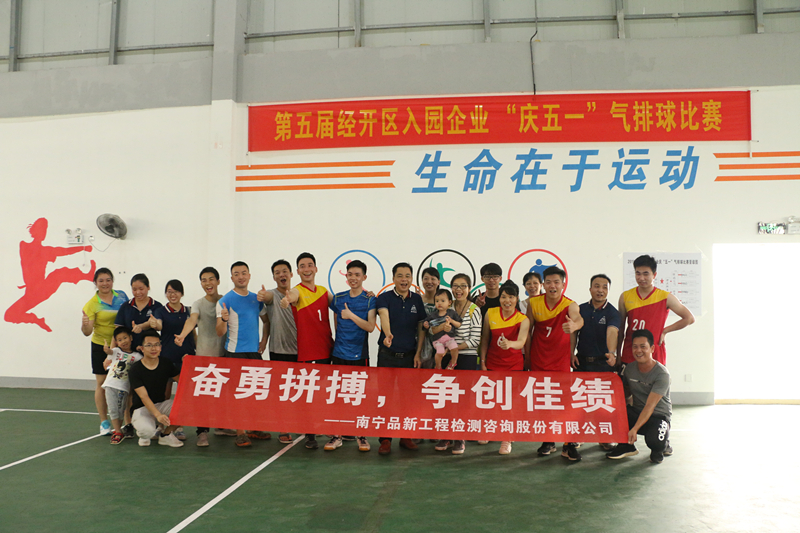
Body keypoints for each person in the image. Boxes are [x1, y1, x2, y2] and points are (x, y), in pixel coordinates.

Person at [525, 265, 584, 461]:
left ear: (563, 284)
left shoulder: (570, 304)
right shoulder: (534, 303)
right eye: (548, 282)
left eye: (556, 282)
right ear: (543, 284)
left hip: (560, 362)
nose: (552, 286)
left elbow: (579, 319)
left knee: (564, 403)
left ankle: (568, 444)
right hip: (538, 359)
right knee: (543, 402)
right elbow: (528, 331)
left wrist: (574, 325)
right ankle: (548, 440)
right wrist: (527, 357)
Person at [279, 252, 333, 450]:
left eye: (310, 265)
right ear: (298, 271)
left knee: (324, 394)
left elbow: (342, 302)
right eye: (302, 266)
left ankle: (327, 428)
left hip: (327, 349)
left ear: (316, 268)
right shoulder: (297, 291)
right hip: (308, 353)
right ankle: (310, 434)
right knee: (308, 395)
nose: (307, 269)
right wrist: (286, 301)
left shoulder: (323, 291)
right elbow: (291, 296)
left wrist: (366, 295)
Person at [6, 217, 95, 332]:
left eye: (45, 230)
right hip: (32, 292)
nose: (43, 233)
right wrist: (83, 248)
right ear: (34, 230)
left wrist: (83, 248)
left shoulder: (44, 250)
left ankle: (86, 276)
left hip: (41, 289)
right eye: (41, 230)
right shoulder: (25, 246)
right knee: (9, 315)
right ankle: (37, 320)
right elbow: (60, 251)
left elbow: (64, 251)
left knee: (58, 274)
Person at [324, 259, 376, 453]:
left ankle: (361, 436)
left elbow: (370, 327)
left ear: (364, 277)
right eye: (350, 274)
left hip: (359, 355)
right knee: (338, 397)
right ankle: (337, 435)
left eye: (357, 275)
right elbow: (335, 322)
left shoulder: (370, 299)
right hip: (338, 354)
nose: (353, 278)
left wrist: (351, 315)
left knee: (359, 397)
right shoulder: (338, 298)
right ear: (346, 276)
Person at [216, 261, 269, 447]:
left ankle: (254, 428)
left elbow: (266, 321)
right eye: (237, 274)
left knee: (255, 392)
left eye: (244, 273)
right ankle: (240, 432)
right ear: (232, 278)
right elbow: (219, 332)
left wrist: (264, 340)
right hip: (235, 353)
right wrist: (223, 320)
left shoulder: (256, 299)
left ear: (249, 275)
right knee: (238, 395)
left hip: (254, 353)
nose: (241, 277)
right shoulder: (225, 301)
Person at [376, 262, 426, 455]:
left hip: (409, 357)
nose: (404, 280)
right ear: (393, 278)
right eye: (400, 276)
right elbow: (384, 315)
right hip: (387, 356)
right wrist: (388, 334)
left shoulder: (417, 300)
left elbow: (421, 327)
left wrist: (418, 353)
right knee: (385, 398)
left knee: (408, 399)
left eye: (407, 276)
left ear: (411, 279)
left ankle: (406, 436)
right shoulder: (385, 297)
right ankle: (385, 439)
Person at [175, 267, 226, 446]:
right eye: (204, 280)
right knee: (204, 397)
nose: (208, 283)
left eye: (211, 279)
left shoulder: (225, 301)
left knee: (222, 395)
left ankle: (221, 426)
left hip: (224, 356)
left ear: (218, 281)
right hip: (205, 358)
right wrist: (183, 335)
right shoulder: (198, 303)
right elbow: (192, 320)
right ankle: (202, 433)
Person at [607, 329, 672, 464]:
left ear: (652, 348)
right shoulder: (630, 369)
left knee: (655, 443)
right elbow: (625, 393)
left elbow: (650, 406)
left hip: (658, 416)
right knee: (613, 412)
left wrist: (634, 429)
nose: (638, 351)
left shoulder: (662, 374)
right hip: (637, 412)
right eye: (635, 347)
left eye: (643, 346)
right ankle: (626, 446)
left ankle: (662, 446)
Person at [479, 280, 530, 455]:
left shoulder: (522, 319)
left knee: (509, 403)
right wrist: (483, 361)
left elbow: (521, 341)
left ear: (517, 299)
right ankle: (489, 429)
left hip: (513, 365)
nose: (507, 301)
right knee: (491, 400)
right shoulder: (491, 313)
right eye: (503, 297)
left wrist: (510, 344)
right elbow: (485, 339)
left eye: (511, 297)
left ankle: (506, 438)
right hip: (492, 364)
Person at [618, 254, 695, 366]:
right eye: (638, 273)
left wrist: (665, 331)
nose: (641, 278)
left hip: (655, 355)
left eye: (646, 274)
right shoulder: (625, 297)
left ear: (654, 275)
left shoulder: (665, 297)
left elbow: (689, 318)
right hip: (630, 354)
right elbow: (620, 329)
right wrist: (618, 355)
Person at [437, 273, 483, 454]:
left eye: (463, 286)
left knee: (463, 399)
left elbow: (475, 340)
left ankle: (460, 437)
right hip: (446, 357)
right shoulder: (446, 307)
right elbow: (437, 332)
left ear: (469, 288)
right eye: (455, 286)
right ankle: (446, 435)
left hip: (467, 358)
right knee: (446, 397)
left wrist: (453, 348)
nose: (459, 290)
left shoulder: (474, 310)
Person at [81, 267, 129, 436]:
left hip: (121, 346)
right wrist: (85, 325)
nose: (105, 283)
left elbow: (128, 316)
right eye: (101, 280)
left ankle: (127, 422)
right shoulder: (91, 304)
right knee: (102, 384)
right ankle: (104, 422)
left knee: (124, 384)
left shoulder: (122, 296)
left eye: (108, 280)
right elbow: (87, 332)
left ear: (112, 281)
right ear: (95, 283)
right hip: (100, 347)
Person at [256, 259, 298, 444]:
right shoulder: (272, 295)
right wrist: (262, 295)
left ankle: (305, 425)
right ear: (274, 277)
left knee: (301, 390)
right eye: (277, 272)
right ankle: (283, 428)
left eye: (284, 271)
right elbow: (265, 298)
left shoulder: (298, 293)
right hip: (279, 350)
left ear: (291, 274)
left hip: (301, 351)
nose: (282, 274)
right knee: (282, 392)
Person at [152, 279, 195, 441]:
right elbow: (159, 325)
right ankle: (161, 425)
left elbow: (193, 333)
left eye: (176, 291)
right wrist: (155, 324)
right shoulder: (161, 311)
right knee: (165, 393)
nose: (172, 294)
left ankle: (179, 426)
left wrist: (196, 352)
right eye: (169, 291)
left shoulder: (189, 311)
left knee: (182, 394)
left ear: (181, 293)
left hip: (186, 357)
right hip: (167, 358)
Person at [128, 332, 183, 448]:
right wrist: (158, 415)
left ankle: (166, 435)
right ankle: (144, 434)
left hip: (161, 404)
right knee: (147, 432)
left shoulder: (166, 363)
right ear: (142, 348)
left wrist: (187, 362)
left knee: (186, 409)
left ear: (160, 347)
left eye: (157, 344)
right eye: (149, 345)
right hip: (142, 408)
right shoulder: (135, 369)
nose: (154, 348)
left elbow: (182, 380)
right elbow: (143, 397)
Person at [101, 326, 142, 444]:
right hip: (110, 384)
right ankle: (118, 432)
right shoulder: (115, 351)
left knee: (120, 410)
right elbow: (110, 352)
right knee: (112, 409)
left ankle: (118, 430)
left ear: (131, 338)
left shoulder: (137, 356)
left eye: (125, 338)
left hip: (123, 387)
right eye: (119, 340)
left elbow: (143, 363)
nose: (123, 341)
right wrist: (106, 349)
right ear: (116, 342)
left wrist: (142, 349)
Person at [571, 274, 620, 373]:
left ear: (608, 291)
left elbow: (612, 331)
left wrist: (611, 352)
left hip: (603, 363)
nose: (600, 290)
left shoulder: (613, 312)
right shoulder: (580, 309)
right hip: (581, 363)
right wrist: (571, 353)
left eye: (605, 287)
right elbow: (573, 333)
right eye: (597, 286)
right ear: (590, 289)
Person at [114, 273, 163, 352]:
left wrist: (146, 325)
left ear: (148, 287)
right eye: (134, 289)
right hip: (129, 352)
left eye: (141, 289)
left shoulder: (157, 306)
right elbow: (117, 331)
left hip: (150, 352)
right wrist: (112, 352)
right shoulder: (126, 306)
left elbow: (159, 326)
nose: (138, 292)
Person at [422, 289, 462, 370]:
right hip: (437, 340)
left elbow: (459, 324)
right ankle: (438, 366)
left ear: (449, 302)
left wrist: (452, 321)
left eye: (443, 301)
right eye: (437, 301)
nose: (439, 303)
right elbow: (426, 325)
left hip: (449, 338)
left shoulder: (452, 313)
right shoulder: (432, 315)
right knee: (440, 352)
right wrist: (426, 324)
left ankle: (453, 363)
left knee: (454, 348)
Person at [418, 267, 441, 369]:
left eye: (433, 279)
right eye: (426, 278)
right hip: (419, 345)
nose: (429, 282)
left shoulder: (444, 302)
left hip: (439, 347)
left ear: (438, 282)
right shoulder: (417, 300)